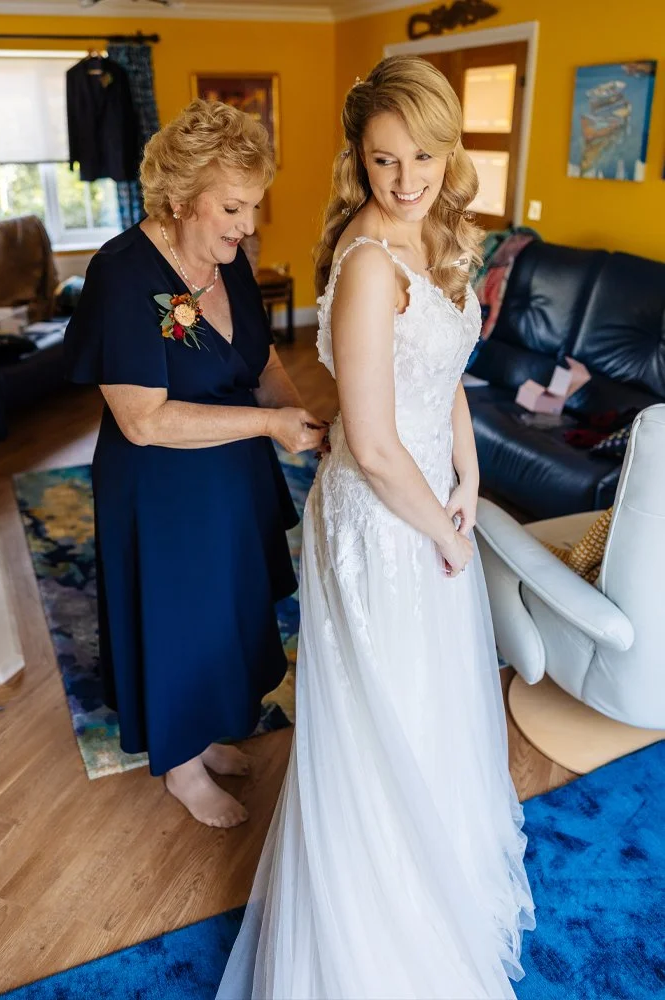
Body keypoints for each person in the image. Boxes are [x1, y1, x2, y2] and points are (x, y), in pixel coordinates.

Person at [217, 55, 535, 998]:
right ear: (360, 157)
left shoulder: (438, 231)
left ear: (449, 153)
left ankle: (437, 874)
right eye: (386, 161)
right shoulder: (364, 264)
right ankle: (375, 938)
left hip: (432, 500)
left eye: (425, 157)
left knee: (431, 702)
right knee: (381, 713)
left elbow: (441, 382)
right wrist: (440, 531)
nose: (407, 180)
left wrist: (469, 480)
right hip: (379, 519)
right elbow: (372, 435)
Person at [64, 99, 327, 829]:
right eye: (233, 207)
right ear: (181, 198)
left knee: (226, 612)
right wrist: (269, 422)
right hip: (162, 486)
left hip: (230, 474)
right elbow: (142, 419)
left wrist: (293, 408)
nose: (247, 225)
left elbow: (262, 357)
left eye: (254, 206)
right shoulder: (123, 275)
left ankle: (207, 734)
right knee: (176, 620)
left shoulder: (227, 259)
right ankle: (180, 765)